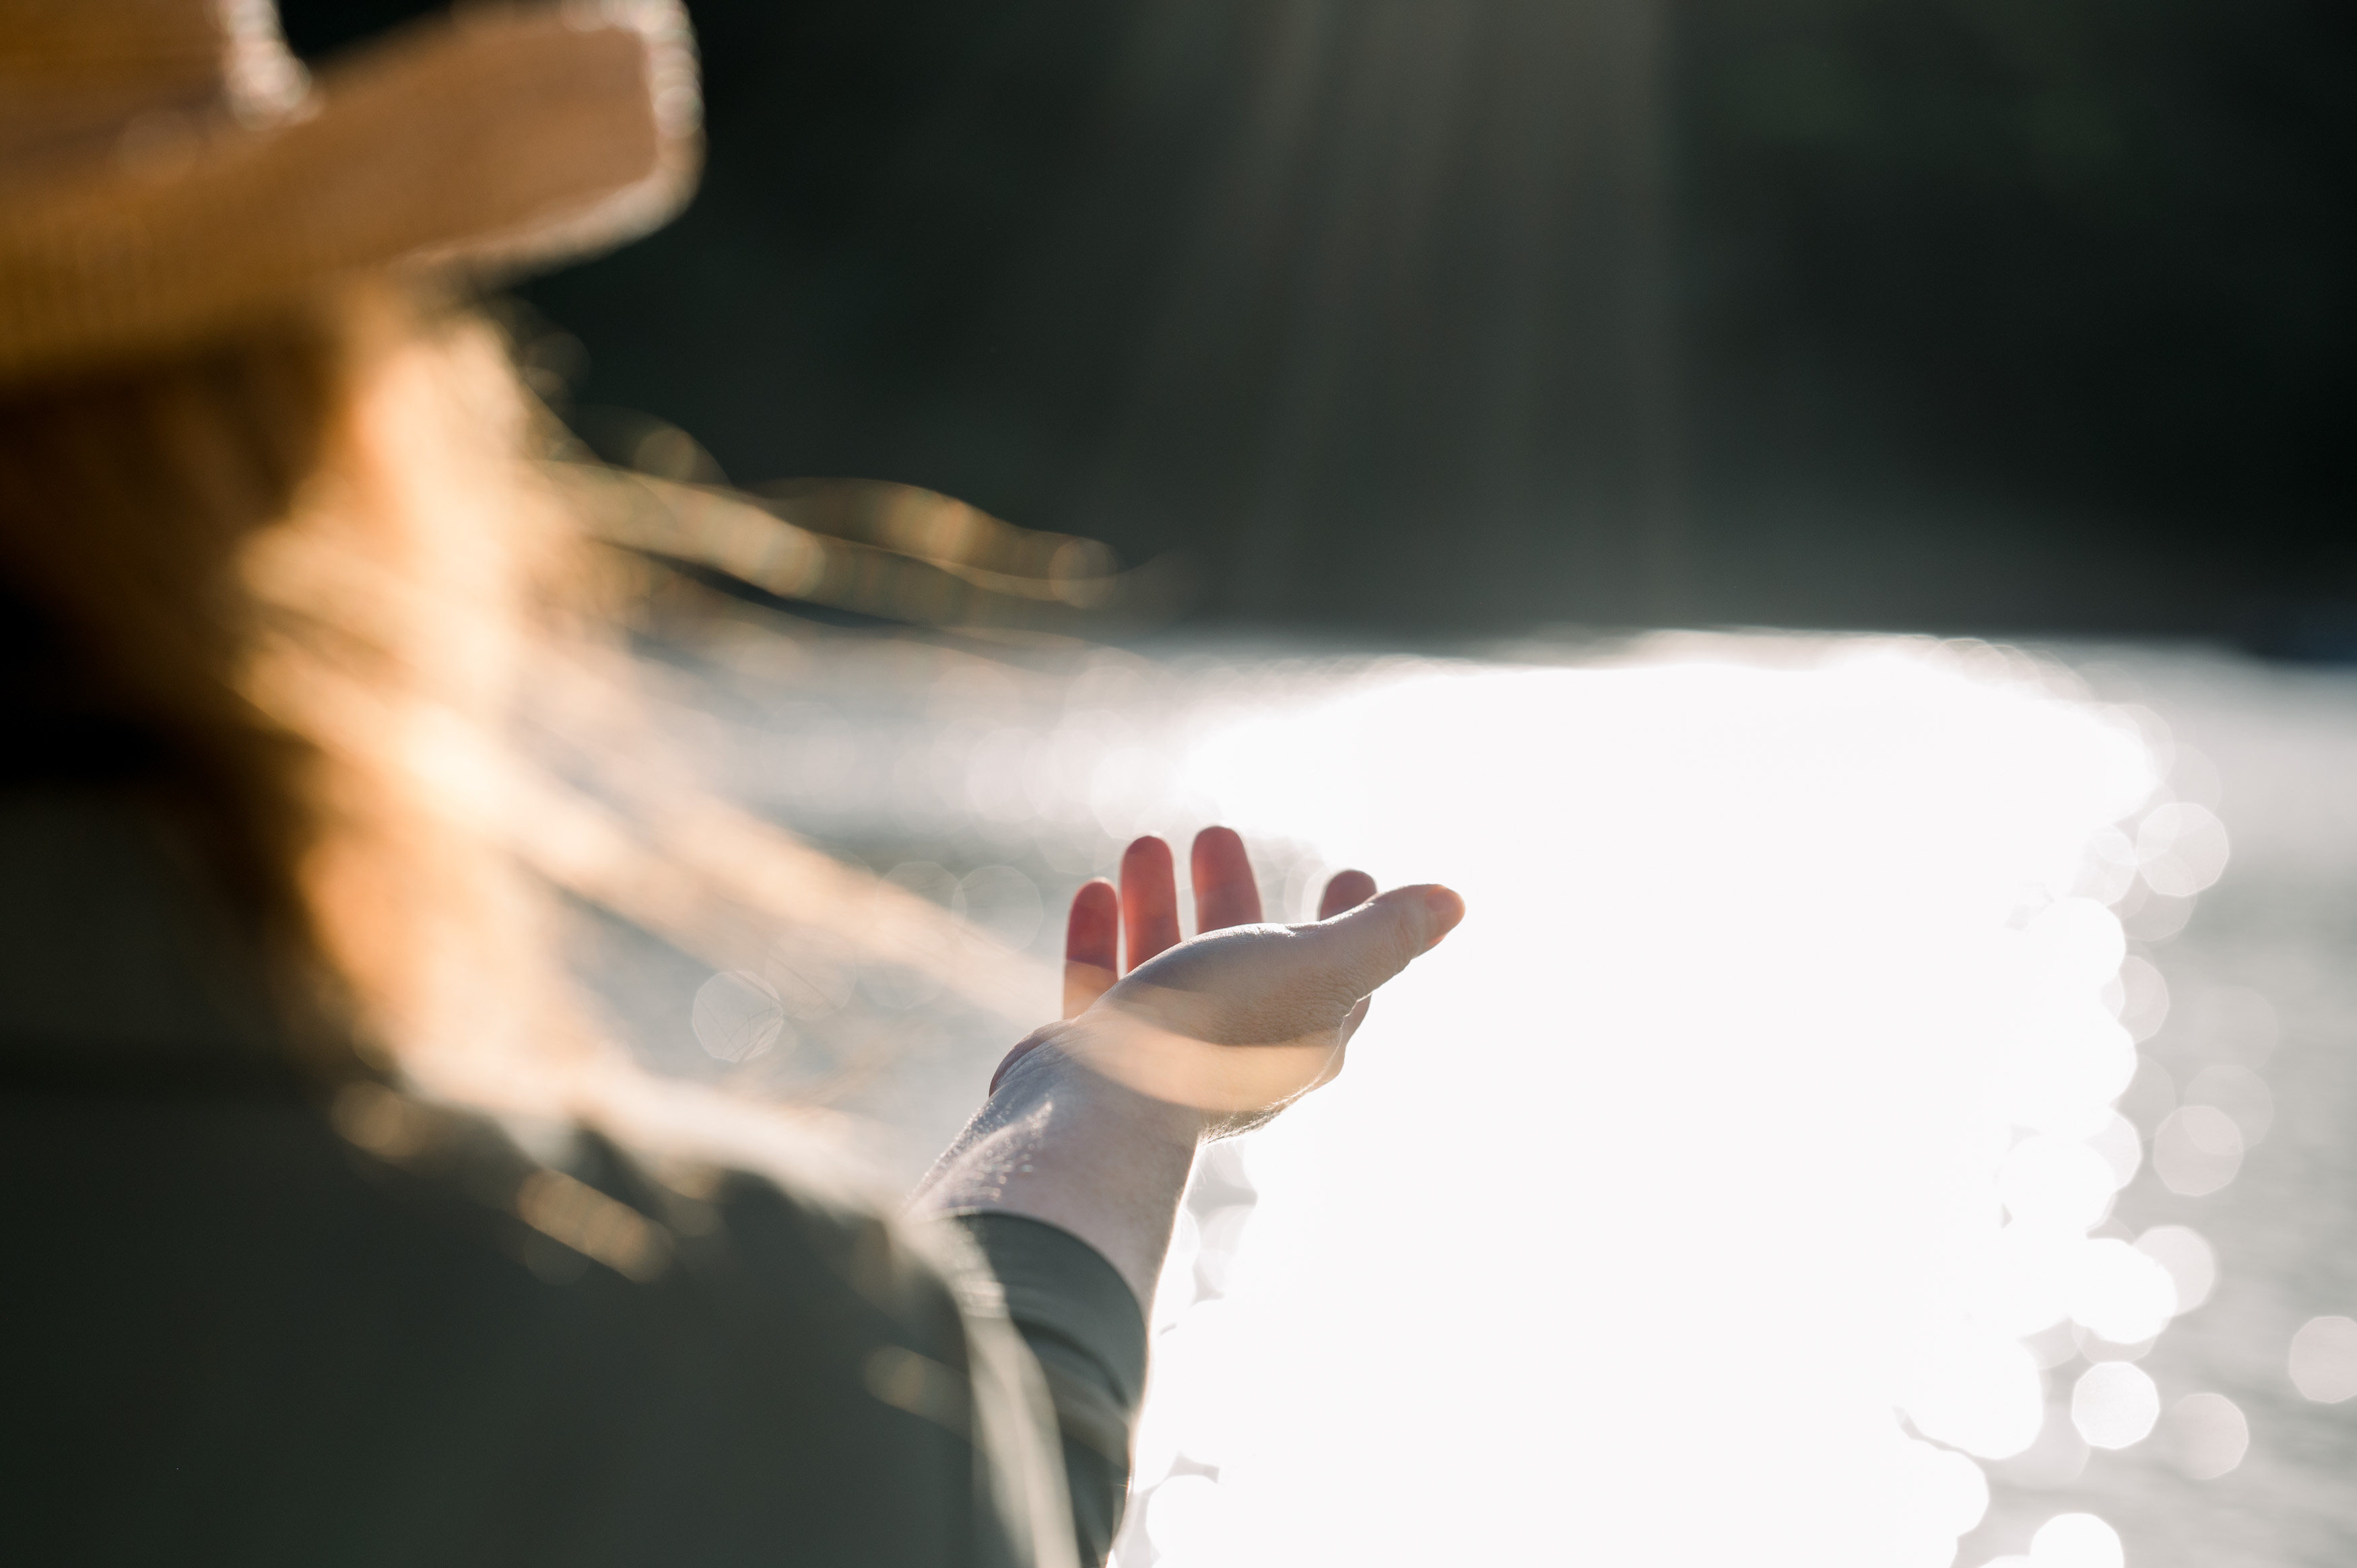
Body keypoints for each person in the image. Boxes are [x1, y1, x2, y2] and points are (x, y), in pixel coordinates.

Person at [0, 3, 1464, 1564]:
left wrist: (1103, 1104)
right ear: (323, 449)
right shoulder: (713, 1341)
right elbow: (882, 1457)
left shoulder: (764, 1342)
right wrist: (1108, 1107)